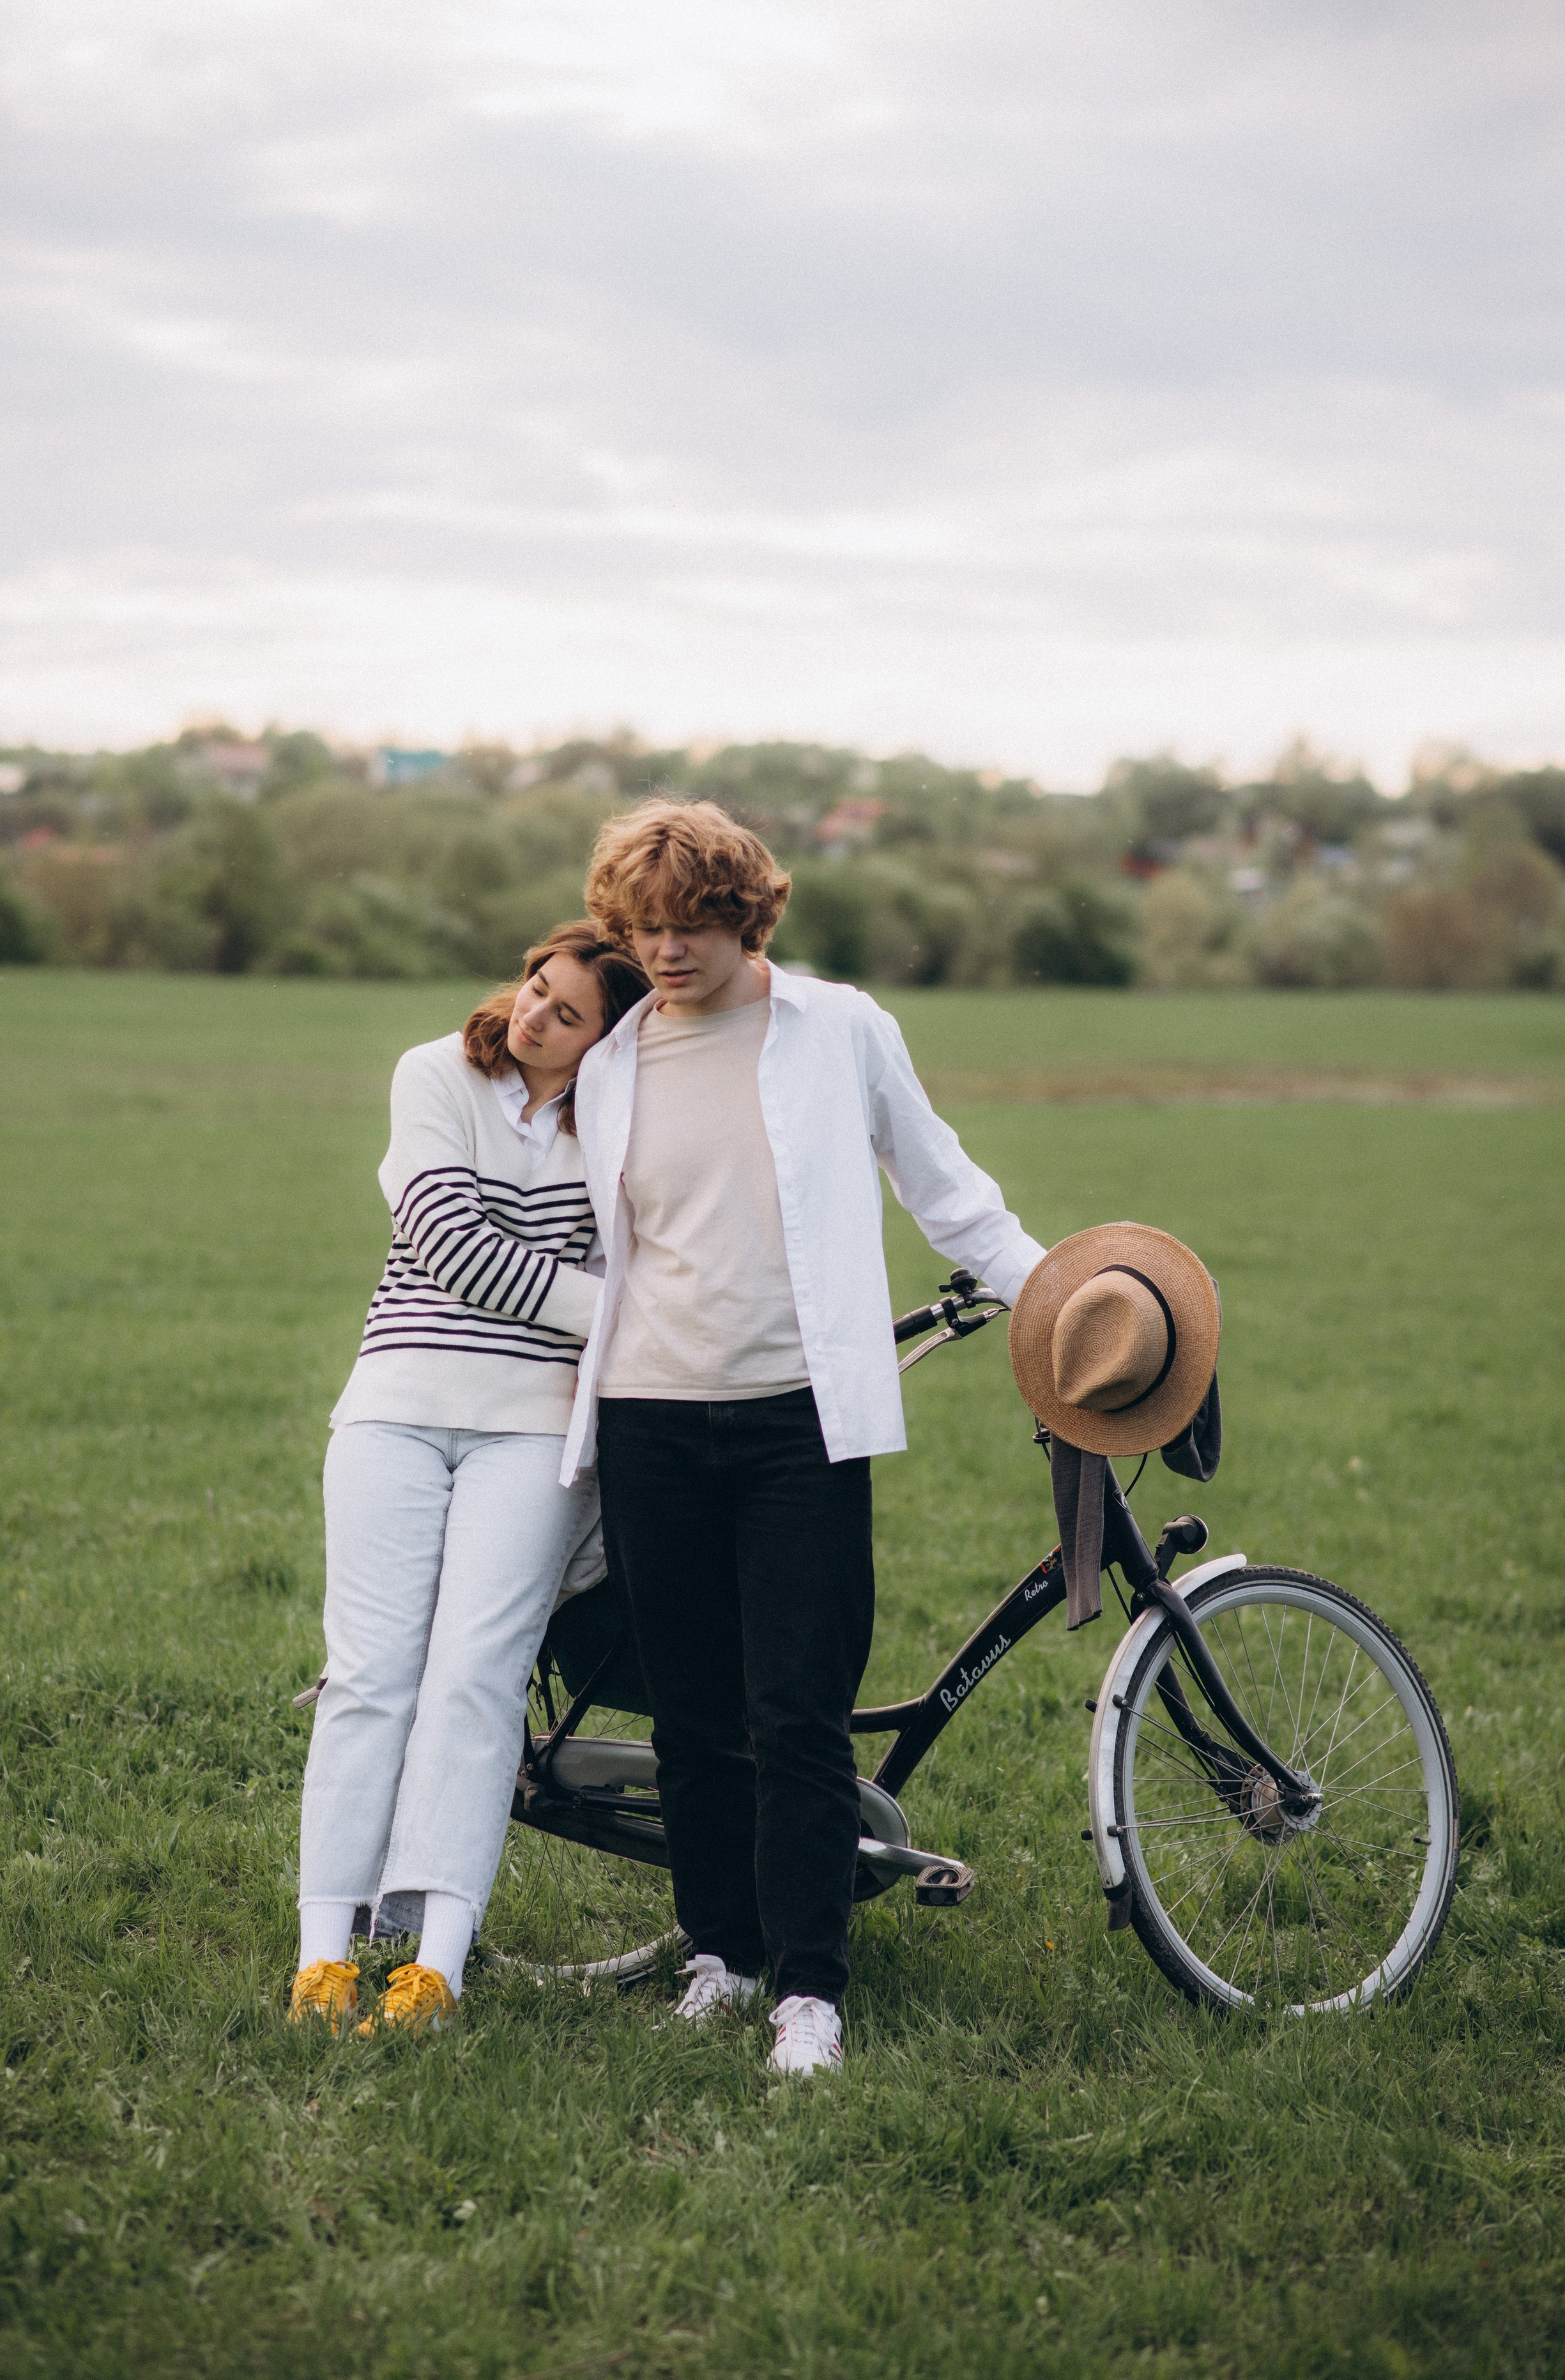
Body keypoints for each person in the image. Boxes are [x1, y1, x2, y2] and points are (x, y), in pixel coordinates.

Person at [565, 801, 1046, 2076]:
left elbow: (947, 1189)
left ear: (746, 913)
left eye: (691, 927)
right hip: (648, 1419)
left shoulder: (837, 1027)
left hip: (800, 1423)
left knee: (796, 1713)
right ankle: (717, 1955)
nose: (666, 953)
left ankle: (809, 1995)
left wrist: (1058, 1293)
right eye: (645, 929)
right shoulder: (612, 1064)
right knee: (691, 1717)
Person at [289, 921, 650, 2033]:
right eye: (538, 987)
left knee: (477, 1681)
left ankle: (433, 1966)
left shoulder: (630, 1124)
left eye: (569, 1012)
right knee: (369, 1678)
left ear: (609, 1044)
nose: (534, 1014)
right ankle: (324, 1956)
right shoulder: (435, 1071)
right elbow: (447, 1243)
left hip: (538, 1436)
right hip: (395, 1409)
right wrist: (623, 1313)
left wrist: (628, 1305)